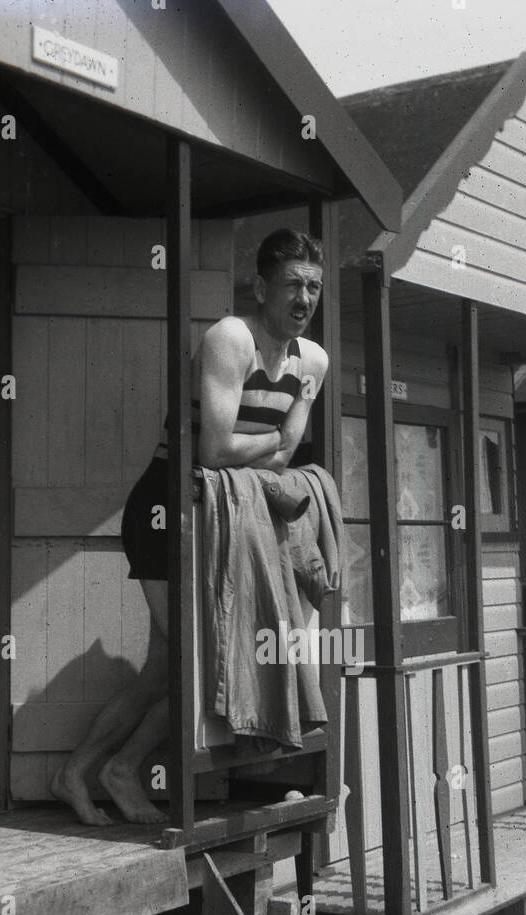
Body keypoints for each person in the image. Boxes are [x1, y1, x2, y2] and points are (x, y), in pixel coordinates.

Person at [51, 229, 328, 825]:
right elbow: (214, 447)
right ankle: (103, 769)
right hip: (166, 509)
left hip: (223, 518)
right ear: (259, 287)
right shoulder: (231, 339)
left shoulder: (314, 362)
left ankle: (93, 772)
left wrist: (256, 448)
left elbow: (274, 456)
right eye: (291, 285)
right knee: (190, 657)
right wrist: (270, 440)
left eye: (313, 287)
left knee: (167, 668)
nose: (304, 299)